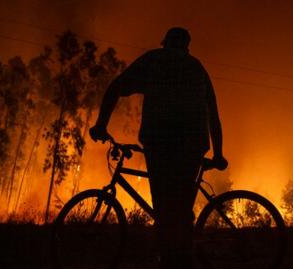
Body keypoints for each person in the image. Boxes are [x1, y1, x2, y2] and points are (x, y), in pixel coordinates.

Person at [89, 27, 227, 269]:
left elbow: (115, 87)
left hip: (160, 141)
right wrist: (217, 153)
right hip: (192, 145)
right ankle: (182, 260)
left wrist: (101, 125)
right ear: (186, 46)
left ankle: (169, 261)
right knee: (181, 208)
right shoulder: (197, 68)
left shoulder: (154, 60)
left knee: (164, 207)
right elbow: (213, 114)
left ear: (165, 43)